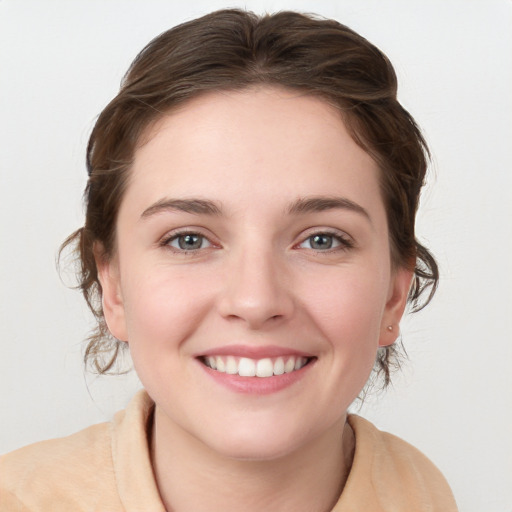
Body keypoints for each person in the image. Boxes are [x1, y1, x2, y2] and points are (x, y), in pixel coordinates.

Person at [0, 9, 458, 511]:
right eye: (189, 240)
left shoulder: (424, 494)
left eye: (322, 240)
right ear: (114, 287)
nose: (255, 300)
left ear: (394, 293)